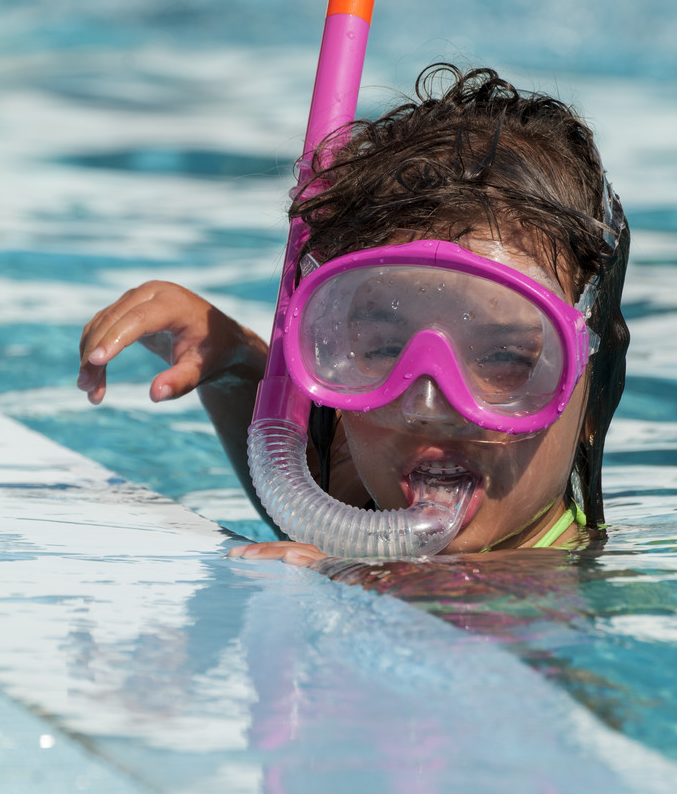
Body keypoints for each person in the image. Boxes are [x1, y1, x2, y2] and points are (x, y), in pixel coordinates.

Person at [78, 64, 630, 565]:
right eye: (388, 349)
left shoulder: (580, 591)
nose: (427, 406)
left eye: (506, 357)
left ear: (590, 396)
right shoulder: (362, 500)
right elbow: (297, 496)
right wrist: (236, 364)